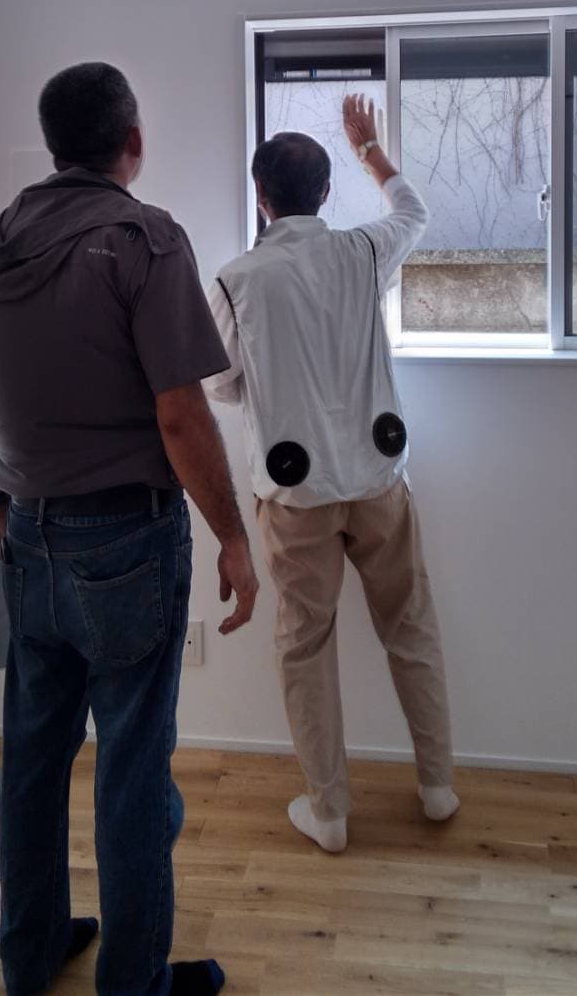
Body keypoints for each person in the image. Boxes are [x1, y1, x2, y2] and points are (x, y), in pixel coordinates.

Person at [0, 62, 258, 996]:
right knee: (132, 771)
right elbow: (181, 415)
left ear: (54, 146)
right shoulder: (145, 239)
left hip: (27, 538)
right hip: (126, 542)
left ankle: (32, 949)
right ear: (133, 141)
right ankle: (134, 983)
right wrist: (234, 536)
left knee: (32, 762)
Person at [205, 94, 457, 855]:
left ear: (261, 194)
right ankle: (438, 786)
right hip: (378, 479)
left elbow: (218, 383)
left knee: (305, 644)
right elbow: (413, 212)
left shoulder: (237, 278)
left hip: (296, 496)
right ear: (323, 192)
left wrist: (272, 383)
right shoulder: (364, 252)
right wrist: (370, 150)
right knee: (409, 625)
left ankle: (330, 812)